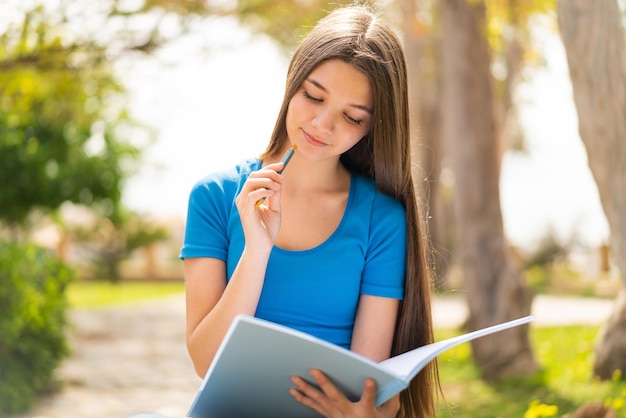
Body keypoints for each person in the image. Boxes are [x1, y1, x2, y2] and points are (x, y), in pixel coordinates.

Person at [180, 3, 440, 417]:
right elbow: (206, 362)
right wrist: (257, 249)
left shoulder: (381, 219)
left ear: (374, 126)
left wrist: (372, 414)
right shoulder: (214, 196)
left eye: (352, 117)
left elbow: (369, 387)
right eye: (313, 96)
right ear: (292, 82)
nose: (322, 124)